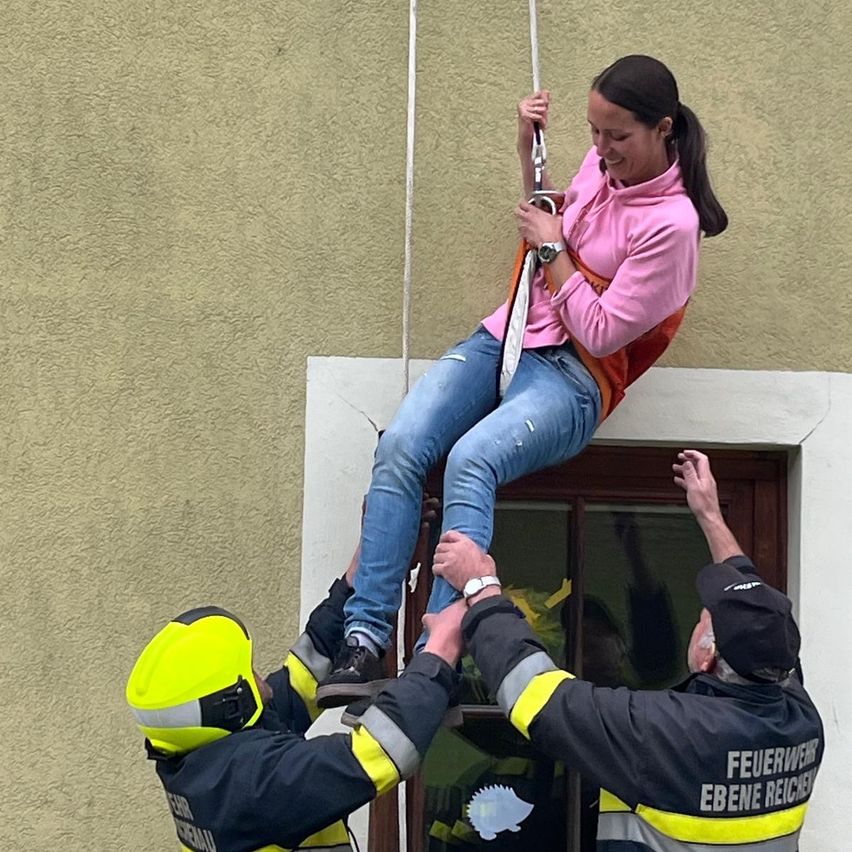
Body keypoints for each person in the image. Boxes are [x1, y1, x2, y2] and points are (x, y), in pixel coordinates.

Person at [317, 54, 728, 707]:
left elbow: (597, 330)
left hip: (575, 377)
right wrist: (525, 149)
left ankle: (438, 653)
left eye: (617, 136)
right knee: (400, 445)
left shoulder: (673, 228)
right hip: (509, 335)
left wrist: (550, 247)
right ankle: (363, 642)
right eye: (593, 133)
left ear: (663, 129)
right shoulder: (601, 166)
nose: (600, 150)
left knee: (471, 460)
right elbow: (552, 213)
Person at [429, 450, 824, 851]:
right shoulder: (799, 718)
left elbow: (537, 697)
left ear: (707, 657)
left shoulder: (659, 733)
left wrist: (481, 588)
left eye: (704, 617)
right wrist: (711, 516)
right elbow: (756, 616)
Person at [125, 528, 461, 852]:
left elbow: (300, 679)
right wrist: (438, 654)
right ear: (230, 706)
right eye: (248, 674)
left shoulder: (200, 763)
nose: (261, 679)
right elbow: (379, 753)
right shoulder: (257, 784)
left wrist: (355, 578)